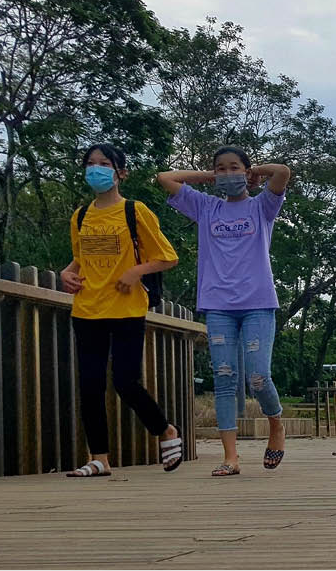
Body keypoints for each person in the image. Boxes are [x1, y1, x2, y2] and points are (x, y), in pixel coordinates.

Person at [156, 146, 292, 476]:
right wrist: (210, 177)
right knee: (225, 376)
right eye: (221, 168)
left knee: (258, 377)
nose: (227, 173)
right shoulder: (207, 207)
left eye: (234, 168)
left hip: (258, 303)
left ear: (247, 173)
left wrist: (253, 170)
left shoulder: (262, 207)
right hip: (218, 305)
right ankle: (231, 457)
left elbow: (283, 172)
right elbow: (164, 178)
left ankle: (276, 424)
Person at [61, 143, 183, 477]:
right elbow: (82, 257)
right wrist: (66, 272)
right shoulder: (81, 216)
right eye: (90, 164)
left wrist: (136, 271)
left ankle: (165, 430)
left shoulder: (135, 211)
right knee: (90, 384)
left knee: (126, 382)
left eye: (104, 164)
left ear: (121, 173)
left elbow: (168, 256)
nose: (96, 169)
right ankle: (99, 457)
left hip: (127, 307)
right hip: (87, 308)